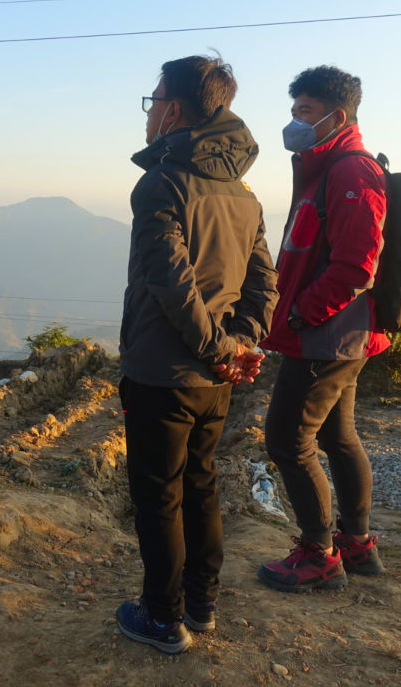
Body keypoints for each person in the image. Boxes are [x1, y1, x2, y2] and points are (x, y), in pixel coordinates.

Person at [115, 53, 277, 653]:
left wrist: (215, 346)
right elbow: (265, 278)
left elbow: (170, 279)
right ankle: (201, 604)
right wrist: (242, 345)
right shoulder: (242, 192)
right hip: (219, 375)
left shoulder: (162, 182)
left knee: (160, 494)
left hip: (164, 369)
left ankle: (161, 617)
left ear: (175, 109)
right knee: (201, 484)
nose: (151, 112)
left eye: (153, 101)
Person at [257, 65, 389, 593]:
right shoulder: (327, 167)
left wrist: (301, 313)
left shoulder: (350, 173)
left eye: (304, 113)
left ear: (337, 116)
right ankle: (356, 544)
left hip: (327, 333)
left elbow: (358, 265)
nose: (294, 122)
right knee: (337, 435)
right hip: (339, 333)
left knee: (288, 440)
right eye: (293, 111)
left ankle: (319, 555)